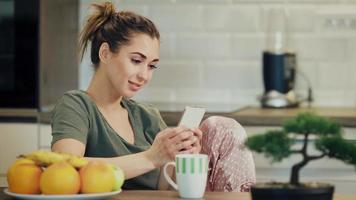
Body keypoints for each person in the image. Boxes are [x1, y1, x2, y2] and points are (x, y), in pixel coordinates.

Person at [51, 1, 256, 192]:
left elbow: (164, 189)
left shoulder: (147, 116)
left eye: (151, 66)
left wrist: (183, 157)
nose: (145, 75)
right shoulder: (76, 105)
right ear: (105, 53)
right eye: (136, 60)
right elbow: (65, 169)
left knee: (222, 128)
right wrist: (151, 157)